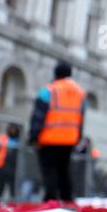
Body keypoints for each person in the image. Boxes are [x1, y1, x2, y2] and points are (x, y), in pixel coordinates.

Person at [29, 61, 86, 202]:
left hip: (49, 139)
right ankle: (67, 199)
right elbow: (80, 119)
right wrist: (78, 137)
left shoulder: (48, 90)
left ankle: (51, 200)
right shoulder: (80, 93)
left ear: (55, 74)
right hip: (69, 140)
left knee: (49, 171)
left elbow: (38, 116)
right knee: (64, 170)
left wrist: (33, 137)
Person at [0, 123, 21, 201]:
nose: (13, 131)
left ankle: (13, 207)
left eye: (14, 129)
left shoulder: (20, 140)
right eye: (11, 129)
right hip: (2, 167)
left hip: (14, 169)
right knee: (0, 188)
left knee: (13, 189)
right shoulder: (2, 138)